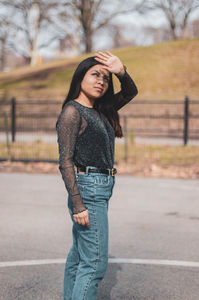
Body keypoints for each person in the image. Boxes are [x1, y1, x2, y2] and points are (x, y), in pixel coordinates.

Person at [56, 50, 138, 300]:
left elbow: (130, 91)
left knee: (81, 255)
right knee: (95, 264)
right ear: (80, 77)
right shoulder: (73, 112)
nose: (101, 81)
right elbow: (65, 162)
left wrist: (120, 71)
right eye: (95, 75)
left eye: (105, 77)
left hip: (101, 186)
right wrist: (79, 205)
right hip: (88, 189)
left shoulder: (103, 109)